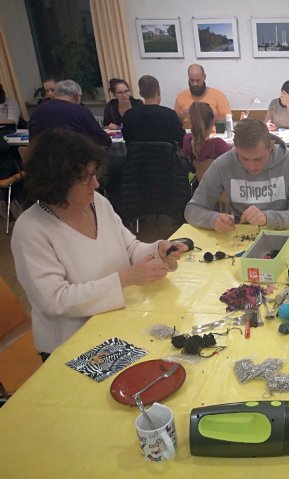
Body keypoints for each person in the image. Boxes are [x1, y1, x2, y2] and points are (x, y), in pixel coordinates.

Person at [10, 128, 188, 359]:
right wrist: (125, 279)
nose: (94, 183)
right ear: (57, 182)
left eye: (94, 173)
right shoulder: (32, 229)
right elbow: (55, 301)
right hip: (70, 344)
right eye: (85, 177)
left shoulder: (97, 204)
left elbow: (129, 248)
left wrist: (157, 249)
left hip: (115, 320)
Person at [185, 118, 289, 232]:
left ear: (271, 147)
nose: (252, 167)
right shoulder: (224, 163)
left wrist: (267, 218)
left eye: (258, 159)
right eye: (244, 158)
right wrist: (213, 219)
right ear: (235, 148)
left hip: (281, 232)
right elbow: (192, 210)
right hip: (239, 235)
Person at [28, 80, 111, 147]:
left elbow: (32, 140)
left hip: (40, 160)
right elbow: (104, 140)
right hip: (74, 160)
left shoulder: (37, 111)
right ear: (77, 97)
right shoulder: (80, 111)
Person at [122, 75, 185, 146]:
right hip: (164, 153)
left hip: (136, 153)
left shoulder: (129, 115)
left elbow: (126, 137)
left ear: (140, 93)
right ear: (158, 91)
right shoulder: (169, 114)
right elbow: (181, 138)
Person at [182, 102, 231, 181]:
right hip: (217, 186)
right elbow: (232, 163)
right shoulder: (217, 144)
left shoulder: (186, 139)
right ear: (211, 122)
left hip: (196, 185)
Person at [174, 64, 231, 129]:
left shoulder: (218, 96)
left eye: (198, 80)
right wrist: (180, 117)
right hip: (187, 133)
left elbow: (228, 120)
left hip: (211, 133)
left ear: (204, 77)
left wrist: (210, 118)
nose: (195, 84)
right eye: (191, 80)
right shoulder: (181, 96)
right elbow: (173, 122)